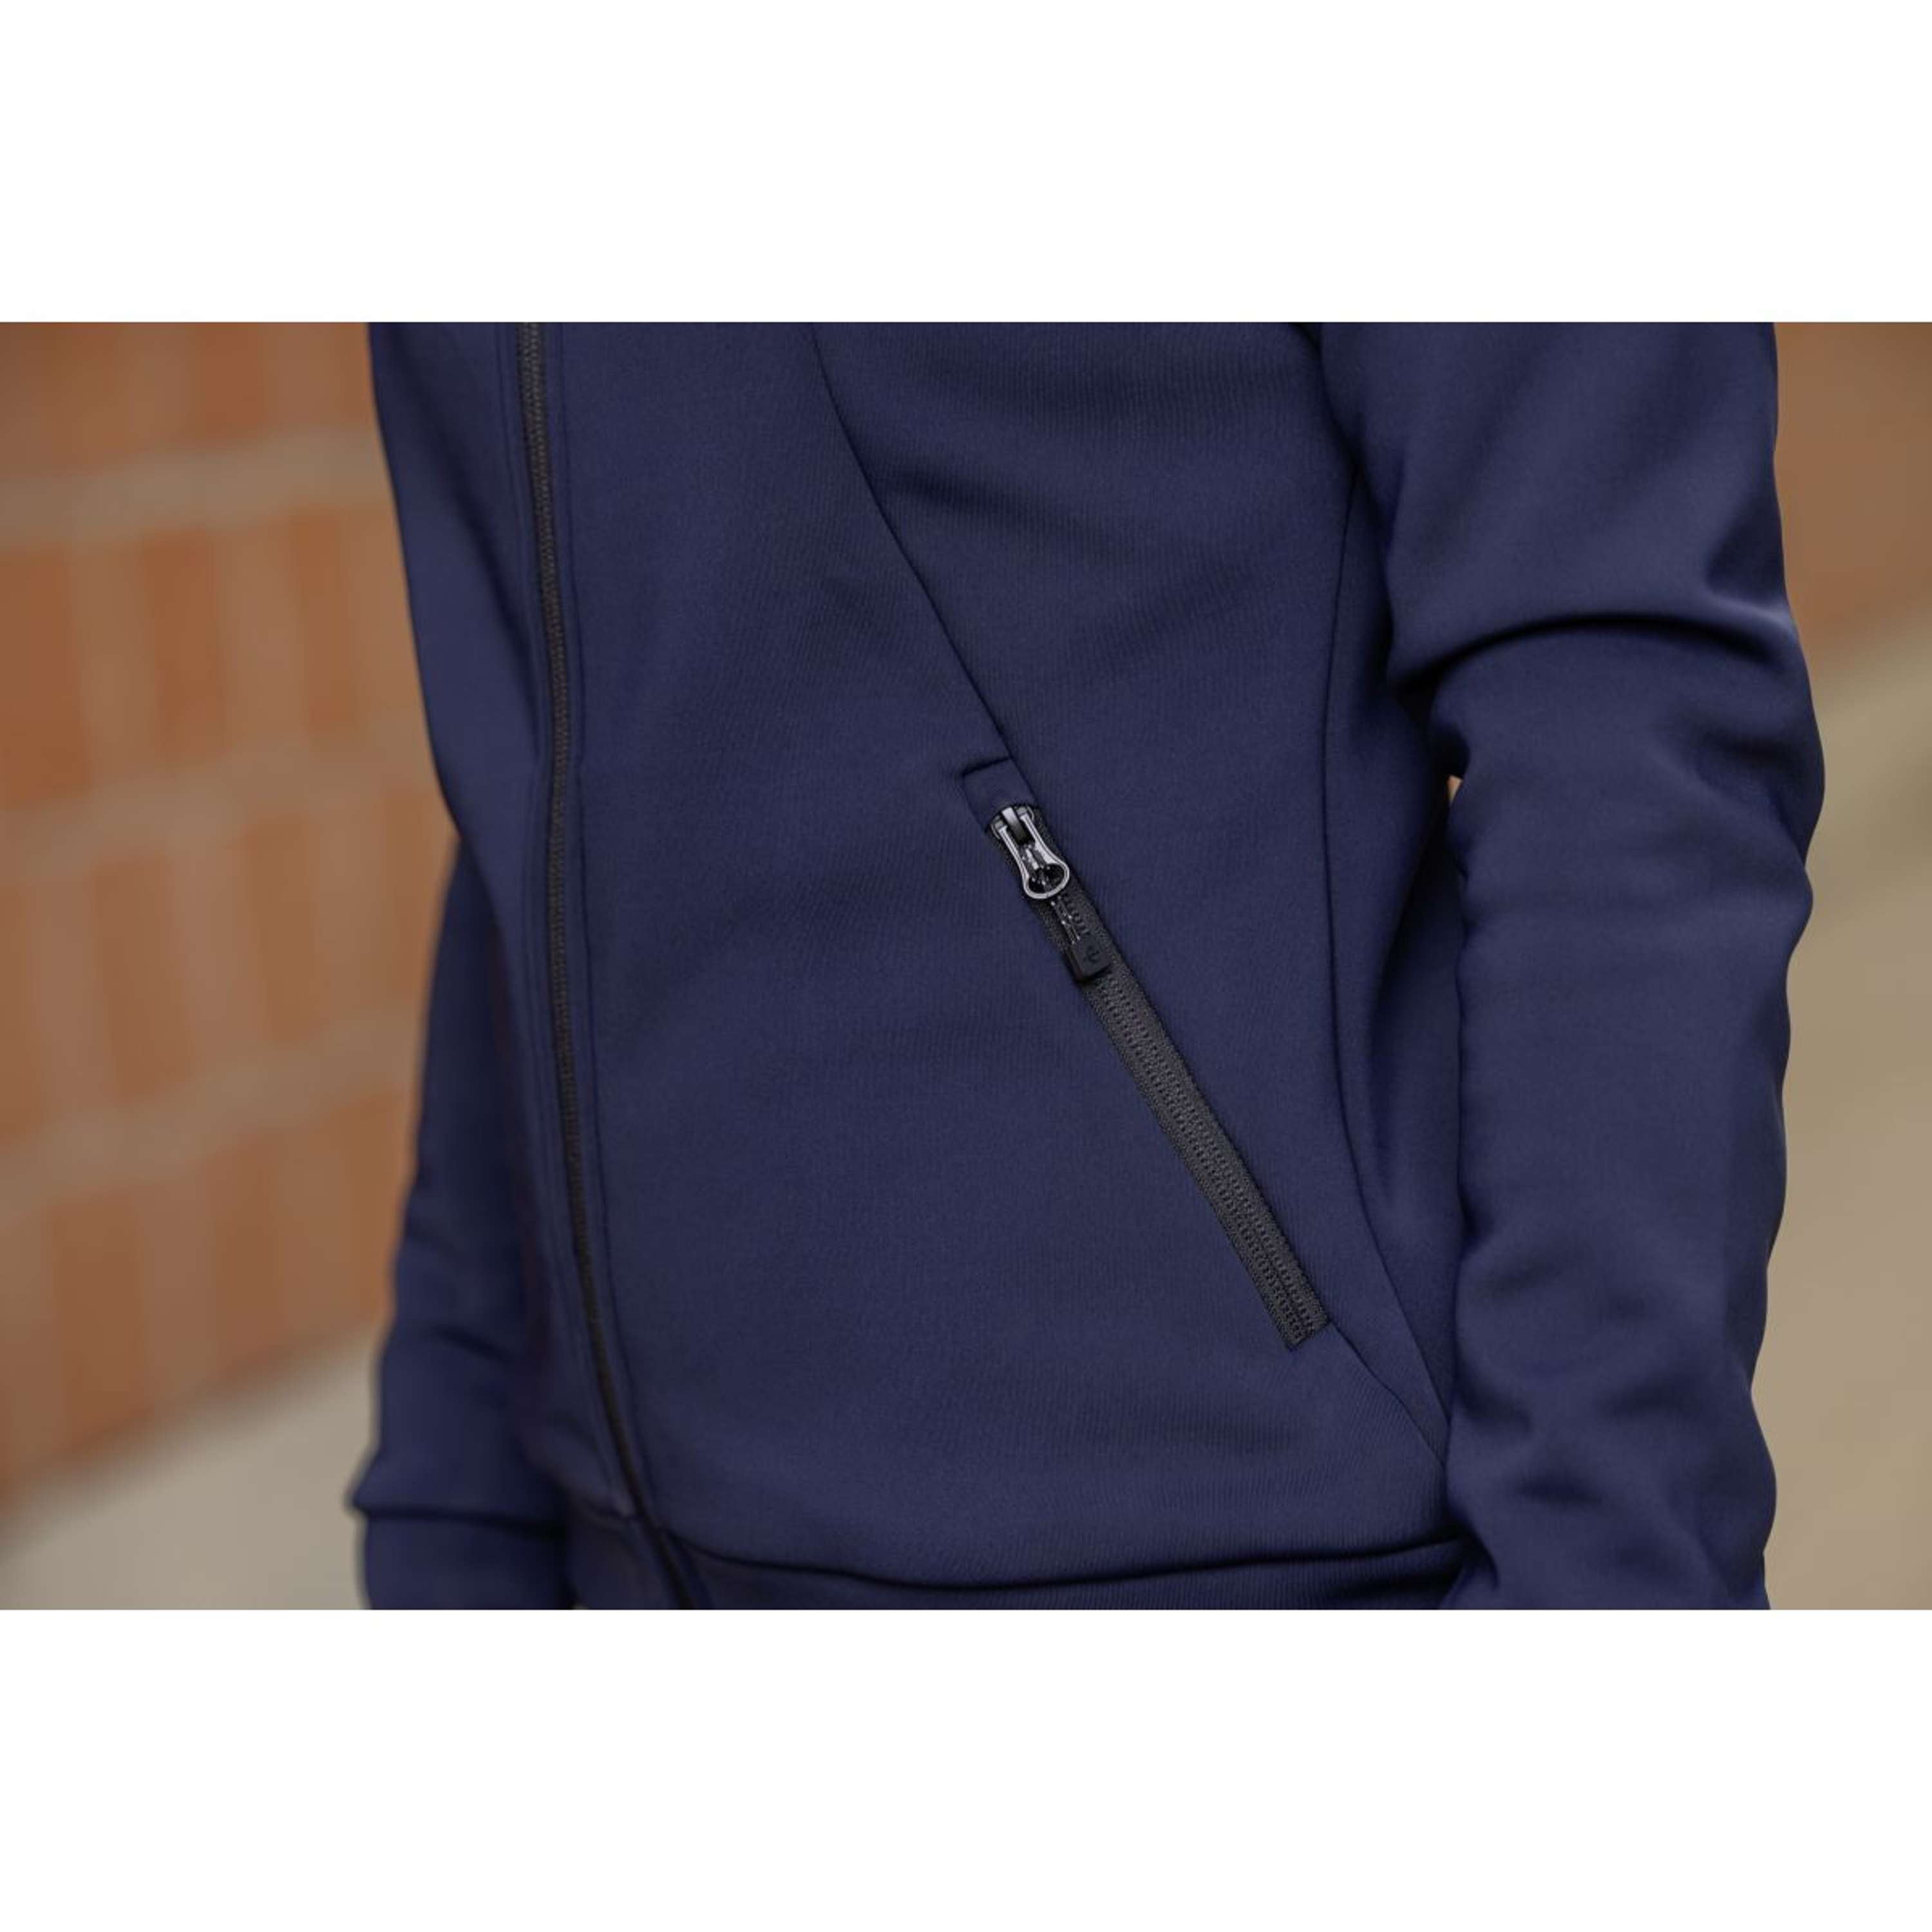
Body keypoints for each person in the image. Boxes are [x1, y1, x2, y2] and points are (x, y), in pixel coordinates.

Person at [354, 325, 1822, 1609]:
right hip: (617, 1565)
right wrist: (451, 1509)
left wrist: (1606, 1591)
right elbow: (570, 769)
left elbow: (1621, 725)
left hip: (1253, 1568)